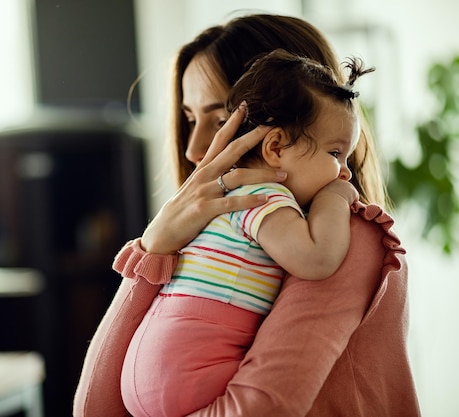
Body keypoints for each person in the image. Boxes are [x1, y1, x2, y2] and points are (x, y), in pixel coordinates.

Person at [73, 13, 420, 417]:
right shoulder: (217, 237)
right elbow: (94, 409)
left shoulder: (344, 237)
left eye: (222, 119)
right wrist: (154, 245)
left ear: (280, 135)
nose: (193, 148)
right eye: (189, 119)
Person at [120, 49, 373, 417]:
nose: (345, 173)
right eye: (336, 154)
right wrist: (334, 199)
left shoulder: (224, 199)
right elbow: (317, 259)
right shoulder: (264, 196)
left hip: (151, 371)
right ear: (274, 147)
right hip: (192, 374)